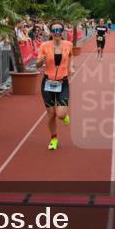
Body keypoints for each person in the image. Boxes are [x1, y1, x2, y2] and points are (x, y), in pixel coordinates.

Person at [34, 20, 73, 150]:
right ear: (51, 32)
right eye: (54, 30)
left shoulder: (68, 44)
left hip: (63, 82)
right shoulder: (44, 45)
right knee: (51, 115)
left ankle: (65, 116)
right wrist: (40, 61)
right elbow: (38, 64)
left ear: (62, 32)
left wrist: (70, 68)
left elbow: (71, 56)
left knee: (60, 114)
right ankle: (54, 139)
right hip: (48, 82)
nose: (57, 33)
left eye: (59, 30)